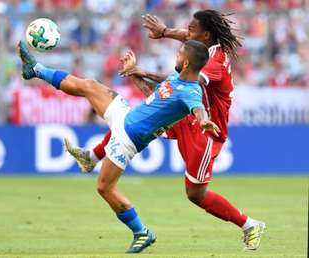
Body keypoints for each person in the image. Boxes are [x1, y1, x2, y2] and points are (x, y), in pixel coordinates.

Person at [71, 10, 266, 251]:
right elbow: (185, 47)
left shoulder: (213, 61)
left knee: (195, 194)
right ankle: (93, 156)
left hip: (205, 129)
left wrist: (142, 71)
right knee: (135, 119)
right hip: (189, 115)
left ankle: (249, 225)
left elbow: (184, 82)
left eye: (191, 31)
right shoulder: (204, 45)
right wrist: (164, 33)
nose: (185, 35)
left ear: (205, 36)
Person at [18, 40, 219, 253]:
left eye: (178, 54)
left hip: (128, 139)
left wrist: (203, 119)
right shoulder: (175, 78)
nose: (175, 57)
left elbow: (198, 109)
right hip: (125, 115)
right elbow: (154, 96)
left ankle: (142, 232)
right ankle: (36, 70)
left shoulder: (191, 91)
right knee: (89, 86)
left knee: (104, 187)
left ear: (186, 63)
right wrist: (133, 71)